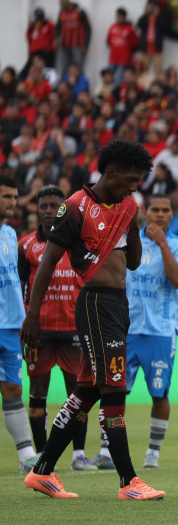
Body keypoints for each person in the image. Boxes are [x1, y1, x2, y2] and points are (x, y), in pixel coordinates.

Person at [20, 140, 165, 500]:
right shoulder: (75, 206)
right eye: (129, 180)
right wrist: (33, 316)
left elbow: (131, 263)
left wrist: (133, 227)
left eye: (138, 181)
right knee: (114, 389)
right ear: (110, 172)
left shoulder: (127, 207)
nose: (134, 187)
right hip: (95, 304)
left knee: (86, 392)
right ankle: (129, 482)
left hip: (118, 303)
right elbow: (49, 262)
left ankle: (42, 472)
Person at [18, 185, 96, 471]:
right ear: (37, 210)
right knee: (37, 392)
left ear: (64, 208)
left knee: (78, 394)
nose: (49, 211)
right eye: (44, 206)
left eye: (55, 206)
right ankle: (40, 455)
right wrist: (25, 321)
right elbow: (20, 289)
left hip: (74, 331)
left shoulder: (78, 242)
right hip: (39, 331)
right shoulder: (25, 246)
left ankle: (78, 455)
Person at [120, 193, 178, 469]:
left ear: (172, 214)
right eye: (154, 209)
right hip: (127, 330)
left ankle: (153, 452)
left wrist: (162, 243)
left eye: (165, 210)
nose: (160, 214)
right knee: (115, 392)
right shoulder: (127, 242)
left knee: (159, 393)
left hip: (161, 331)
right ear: (144, 212)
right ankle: (106, 448)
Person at [0, 175, 39, 473]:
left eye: (15, 197)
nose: (13, 202)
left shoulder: (11, 234)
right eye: (7, 197)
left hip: (11, 326)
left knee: (13, 388)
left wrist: (25, 318)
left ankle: (27, 456)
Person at [55, 0, 91, 76]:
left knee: (78, 66)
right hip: (64, 44)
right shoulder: (62, 12)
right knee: (64, 67)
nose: (65, 8)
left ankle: (79, 85)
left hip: (77, 45)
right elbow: (58, 27)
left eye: (66, 6)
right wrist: (56, 38)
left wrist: (86, 44)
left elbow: (88, 28)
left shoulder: (79, 11)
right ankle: (64, 85)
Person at [136, 0, 170, 79]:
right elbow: (139, 24)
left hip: (157, 50)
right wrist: (145, 14)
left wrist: (158, 15)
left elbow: (166, 27)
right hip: (144, 50)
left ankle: (157, 87)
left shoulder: (161, 17)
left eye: (154, 6)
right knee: (141, 71)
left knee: (158, 71)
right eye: (150, 6)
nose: (152, 8)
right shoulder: (145, 18)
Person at [106, 8, 139, 85]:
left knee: (119, 79)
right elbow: (108, 41)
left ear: (124, 17)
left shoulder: (130, 28)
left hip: (124, 59)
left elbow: (135, 43)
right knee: (108, 76)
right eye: (117, 16)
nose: (118, 18)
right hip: (113, 58)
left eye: (120, 16)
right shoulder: (112, 27)